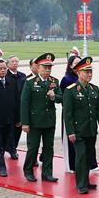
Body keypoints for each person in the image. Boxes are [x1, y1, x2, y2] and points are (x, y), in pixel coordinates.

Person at [62, 57, 99, 194]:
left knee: (88, 155)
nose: (89, 74)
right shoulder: (71, 90)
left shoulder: (94, 89)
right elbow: (68, 113)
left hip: (91, 129)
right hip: (78, 130)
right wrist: (70, 132)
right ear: (77, 72)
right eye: (86, 71)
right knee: (80, 156)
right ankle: (81, 184)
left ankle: (86, 181)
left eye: (90, 71)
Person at [20, 53, 62, 182]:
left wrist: (53, 96)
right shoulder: (30, 82)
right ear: (38, 68)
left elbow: (61, 98)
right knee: (33, 147)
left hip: (49, 121)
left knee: (48, 148)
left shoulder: (54, 82)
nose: (47, 70)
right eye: (45, 67)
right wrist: (25, 123)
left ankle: (47, 173)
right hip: (34, 121)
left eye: (49, 68)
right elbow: (24, 103)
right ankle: (28, 171)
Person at [59, 54, 82, 173]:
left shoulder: (82, 77)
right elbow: (62, 97)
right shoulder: (66, 79)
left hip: (81, 114)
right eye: (75, 64)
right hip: (70, 113)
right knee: (70, 140)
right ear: (70, 65)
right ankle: (70, 165)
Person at [5, 55, 26, 156]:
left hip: (20, 106)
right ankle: (11, 149)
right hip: (8, 107)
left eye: (16, 61)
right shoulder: (5, 75)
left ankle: (13, 147)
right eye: (12, 61)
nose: (14, 63)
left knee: (18, 129)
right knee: (9, 130)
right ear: (8, 64)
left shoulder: (22, 76)